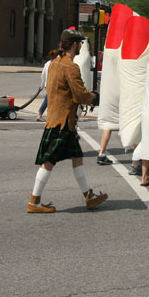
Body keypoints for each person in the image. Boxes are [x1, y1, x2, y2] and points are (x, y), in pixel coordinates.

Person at [26, 29, 106, 213]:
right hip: (63, 122)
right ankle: (34, 201)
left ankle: (88, 196)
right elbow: (79, 94)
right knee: (49, 160)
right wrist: (94, 96)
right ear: (75, 44)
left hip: (58, 119)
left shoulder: (54, 63)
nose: (80, 47)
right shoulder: (70, 66)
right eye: (80, 44)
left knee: (77, 157)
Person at [36, 49, 58, 123]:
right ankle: (40, 115)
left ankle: (41, 114)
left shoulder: (47, 64)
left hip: (47, 85)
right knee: (50, 100)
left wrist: (42, 85)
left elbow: (43, 75)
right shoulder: (57, 64)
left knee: (49, 100)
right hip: (54, 85)